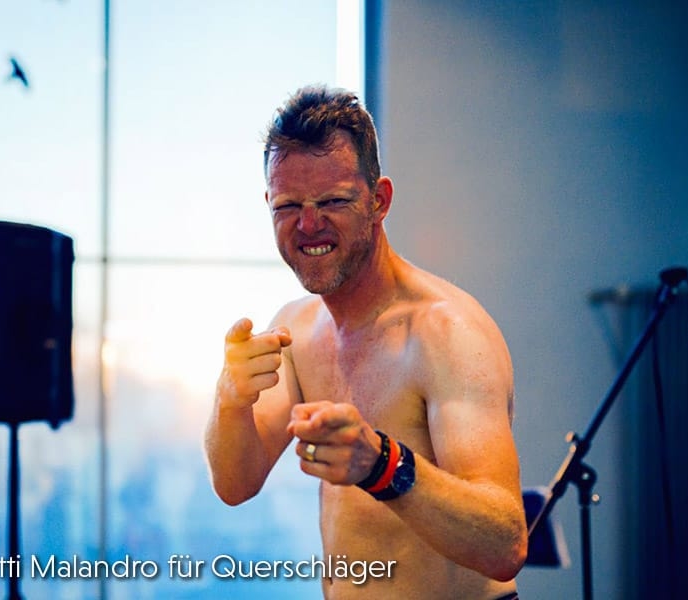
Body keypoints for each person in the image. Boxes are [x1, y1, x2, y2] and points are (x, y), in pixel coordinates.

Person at [204, 85, 527, 599]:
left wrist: (382, 465)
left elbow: (505, 543)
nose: (309, 224)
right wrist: (230, 399)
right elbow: (234, 484)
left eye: (333, 201)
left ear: (379, 201)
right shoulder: (295, 328)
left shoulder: (446, 333)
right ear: (269, 205)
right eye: (289, 205)